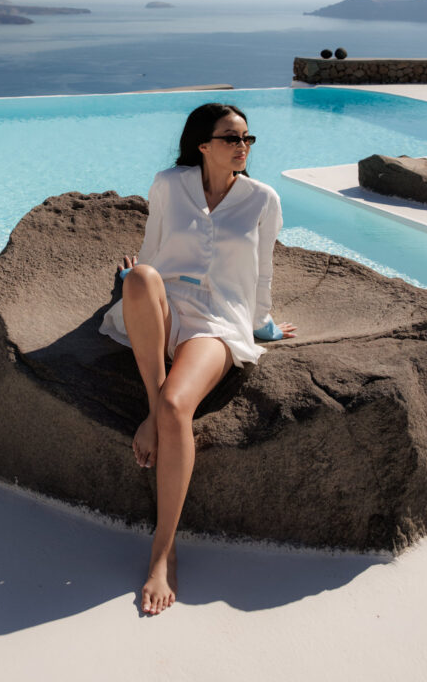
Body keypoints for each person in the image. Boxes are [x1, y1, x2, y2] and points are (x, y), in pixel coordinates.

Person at [99, 102, 295, 615]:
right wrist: (130, 281)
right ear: (203, 144)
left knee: (175, 410)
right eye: (232, 138)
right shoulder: (169, 183)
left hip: (216, 322)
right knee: (141, 277)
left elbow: (263, 270)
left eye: (248, 139)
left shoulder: (262, 199)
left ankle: (162, 554)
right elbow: (152, 249)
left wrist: (263, 326)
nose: (243, 147)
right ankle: (151, 403)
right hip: (165, 304)